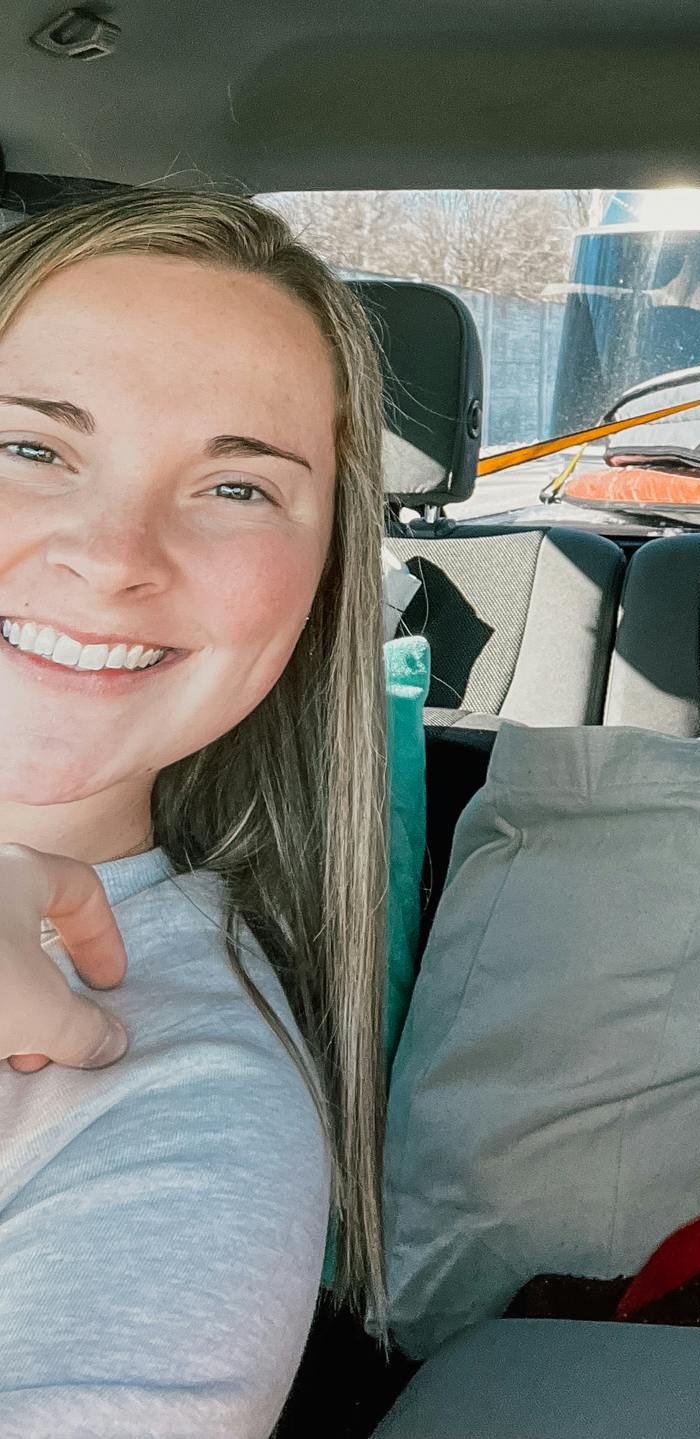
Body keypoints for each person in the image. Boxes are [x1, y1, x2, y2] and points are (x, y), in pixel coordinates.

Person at [0, 190, 389, 1434]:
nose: (115, 552)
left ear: (322, 580)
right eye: (29, 447)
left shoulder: (196, 1113)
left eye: (236, 487)